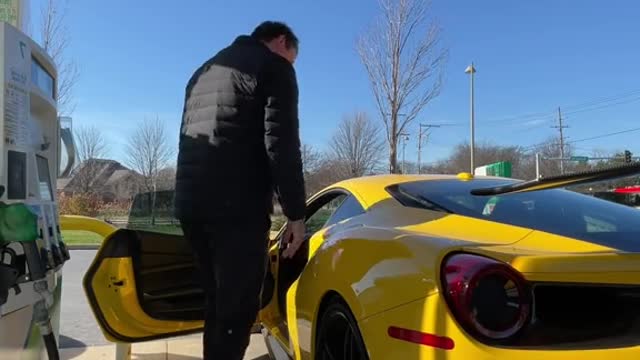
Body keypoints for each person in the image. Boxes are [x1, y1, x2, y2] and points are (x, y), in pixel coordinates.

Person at [174, 21, 307, 359]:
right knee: (237, 310)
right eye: (291, 58)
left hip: (190, 204)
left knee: (217, 302)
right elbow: (282, 144)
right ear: (280, 41)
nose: (290, 66)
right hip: (237, 208)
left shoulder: (202, 71)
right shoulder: (273, 67)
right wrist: (296, 214)